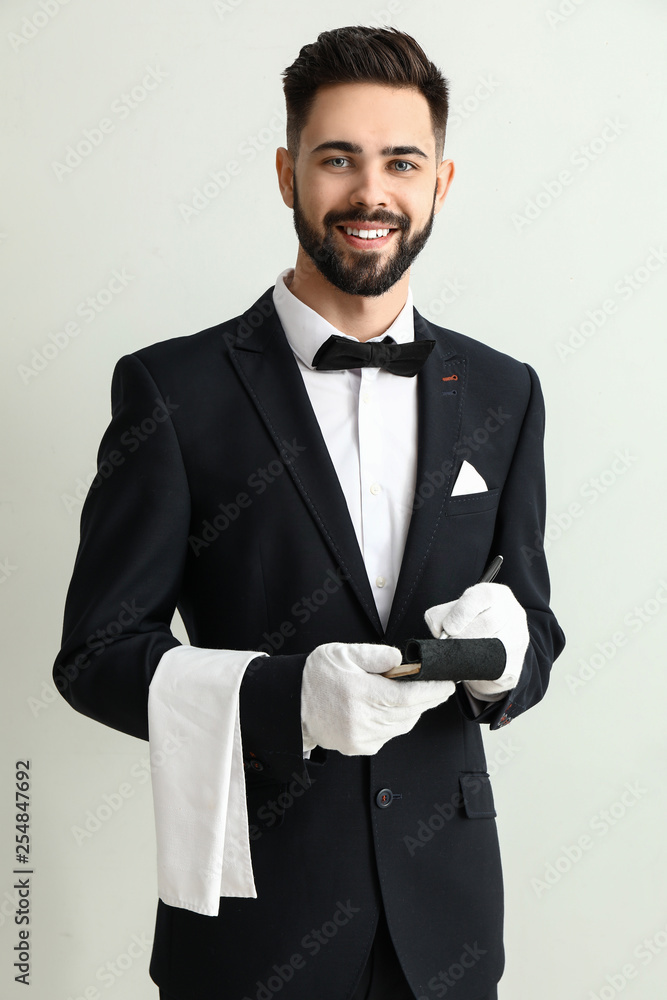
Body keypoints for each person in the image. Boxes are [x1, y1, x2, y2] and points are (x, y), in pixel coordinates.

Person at [53, 25, 565, 1000]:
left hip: (448, 931)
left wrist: (510, 652)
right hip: (253, 931)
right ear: (287, 174)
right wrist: (284, 697)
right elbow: (96, 655)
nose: (371, 193)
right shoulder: (172, 391)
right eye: (338, 159)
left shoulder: (506, 393)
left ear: (440, 184)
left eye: (400, 162)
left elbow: (534, 628)